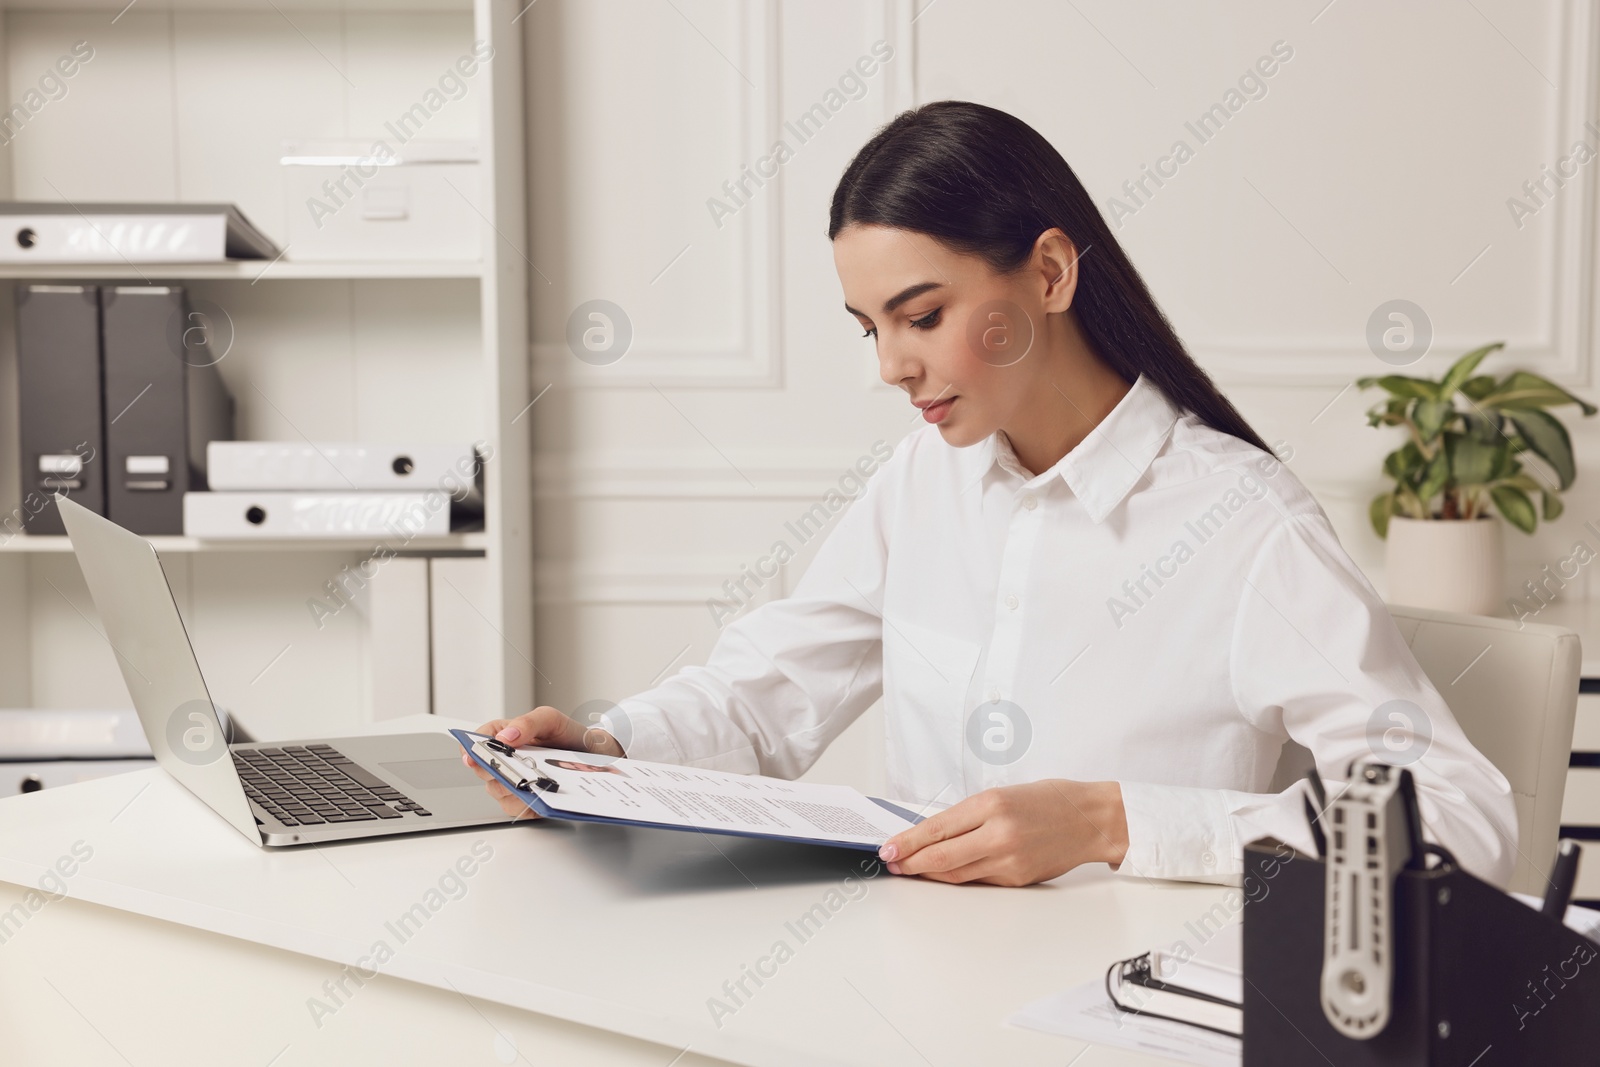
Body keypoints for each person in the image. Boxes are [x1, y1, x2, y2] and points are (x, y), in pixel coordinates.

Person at [465, 100, 1517, 890]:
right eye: (869, 326)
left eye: (921, 315)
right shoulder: (925, 481)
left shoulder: (1240, 523)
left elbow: (1459, 815)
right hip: (913, 993)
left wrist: (1115, 822)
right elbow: (762, 694)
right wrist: (607, 748)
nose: (890, 364)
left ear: (1048, 274)